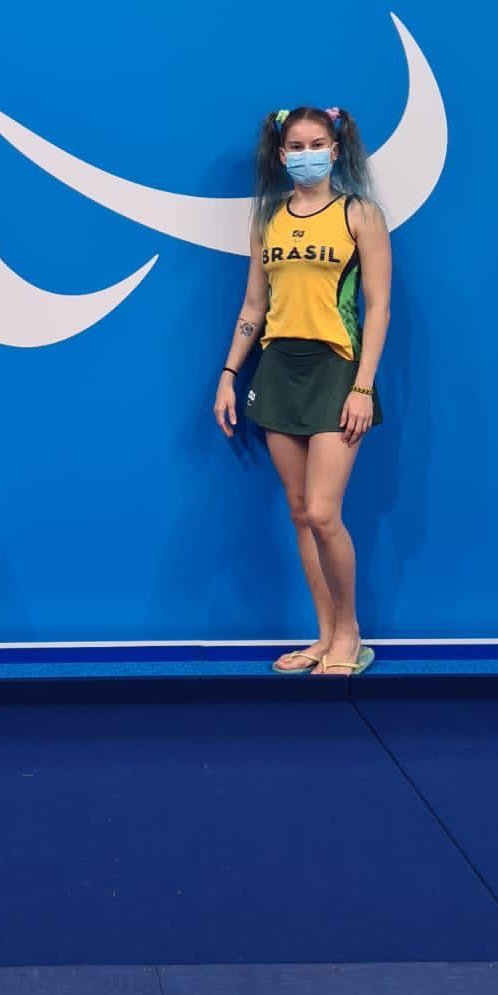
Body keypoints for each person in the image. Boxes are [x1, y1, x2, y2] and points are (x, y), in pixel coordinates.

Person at [213, 106, 391, 677]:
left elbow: (379, 306)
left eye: (318, 143)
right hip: (277, 369)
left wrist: (363, 386)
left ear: (336, 151)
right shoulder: (268, 219)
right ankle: (322, 635)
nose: (306, 153)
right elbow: (253, 306)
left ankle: (350, 633)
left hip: (336, 370)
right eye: (296, 145)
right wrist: (228, 374)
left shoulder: (359, 213)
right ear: (281, 153)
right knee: (297, 511)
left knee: (322, 512)